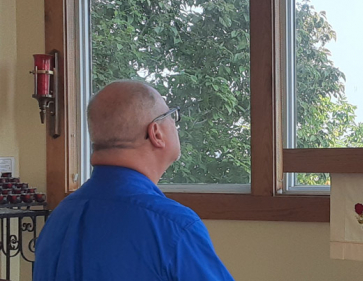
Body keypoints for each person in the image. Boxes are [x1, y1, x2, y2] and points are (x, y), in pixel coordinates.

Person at [34, 80, 234, 281]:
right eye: (171, 116)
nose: (175, 124)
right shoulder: (172, 227)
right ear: (156, 133)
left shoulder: (58, 219)